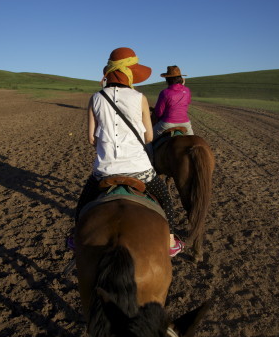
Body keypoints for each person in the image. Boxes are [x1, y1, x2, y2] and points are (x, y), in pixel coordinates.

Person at [71, 47, 184, 256]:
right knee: (166, 199)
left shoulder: (95, 98)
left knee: (84, 201)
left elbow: (91, 139)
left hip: (104, 171)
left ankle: (75, 236)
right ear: (128, 73)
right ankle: (170, 241)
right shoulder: (139, 97)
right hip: (139, 170)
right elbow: (149, 137)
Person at [153, 65, 194, 137]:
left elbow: (159, 112)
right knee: (193, 139)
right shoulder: (187, 90)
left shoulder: (164, 92)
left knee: (148, 138)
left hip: (167, 123)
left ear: (167, 79)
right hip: (185, 122)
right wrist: (182, 86)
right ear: (181, 78)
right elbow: (188, 102)